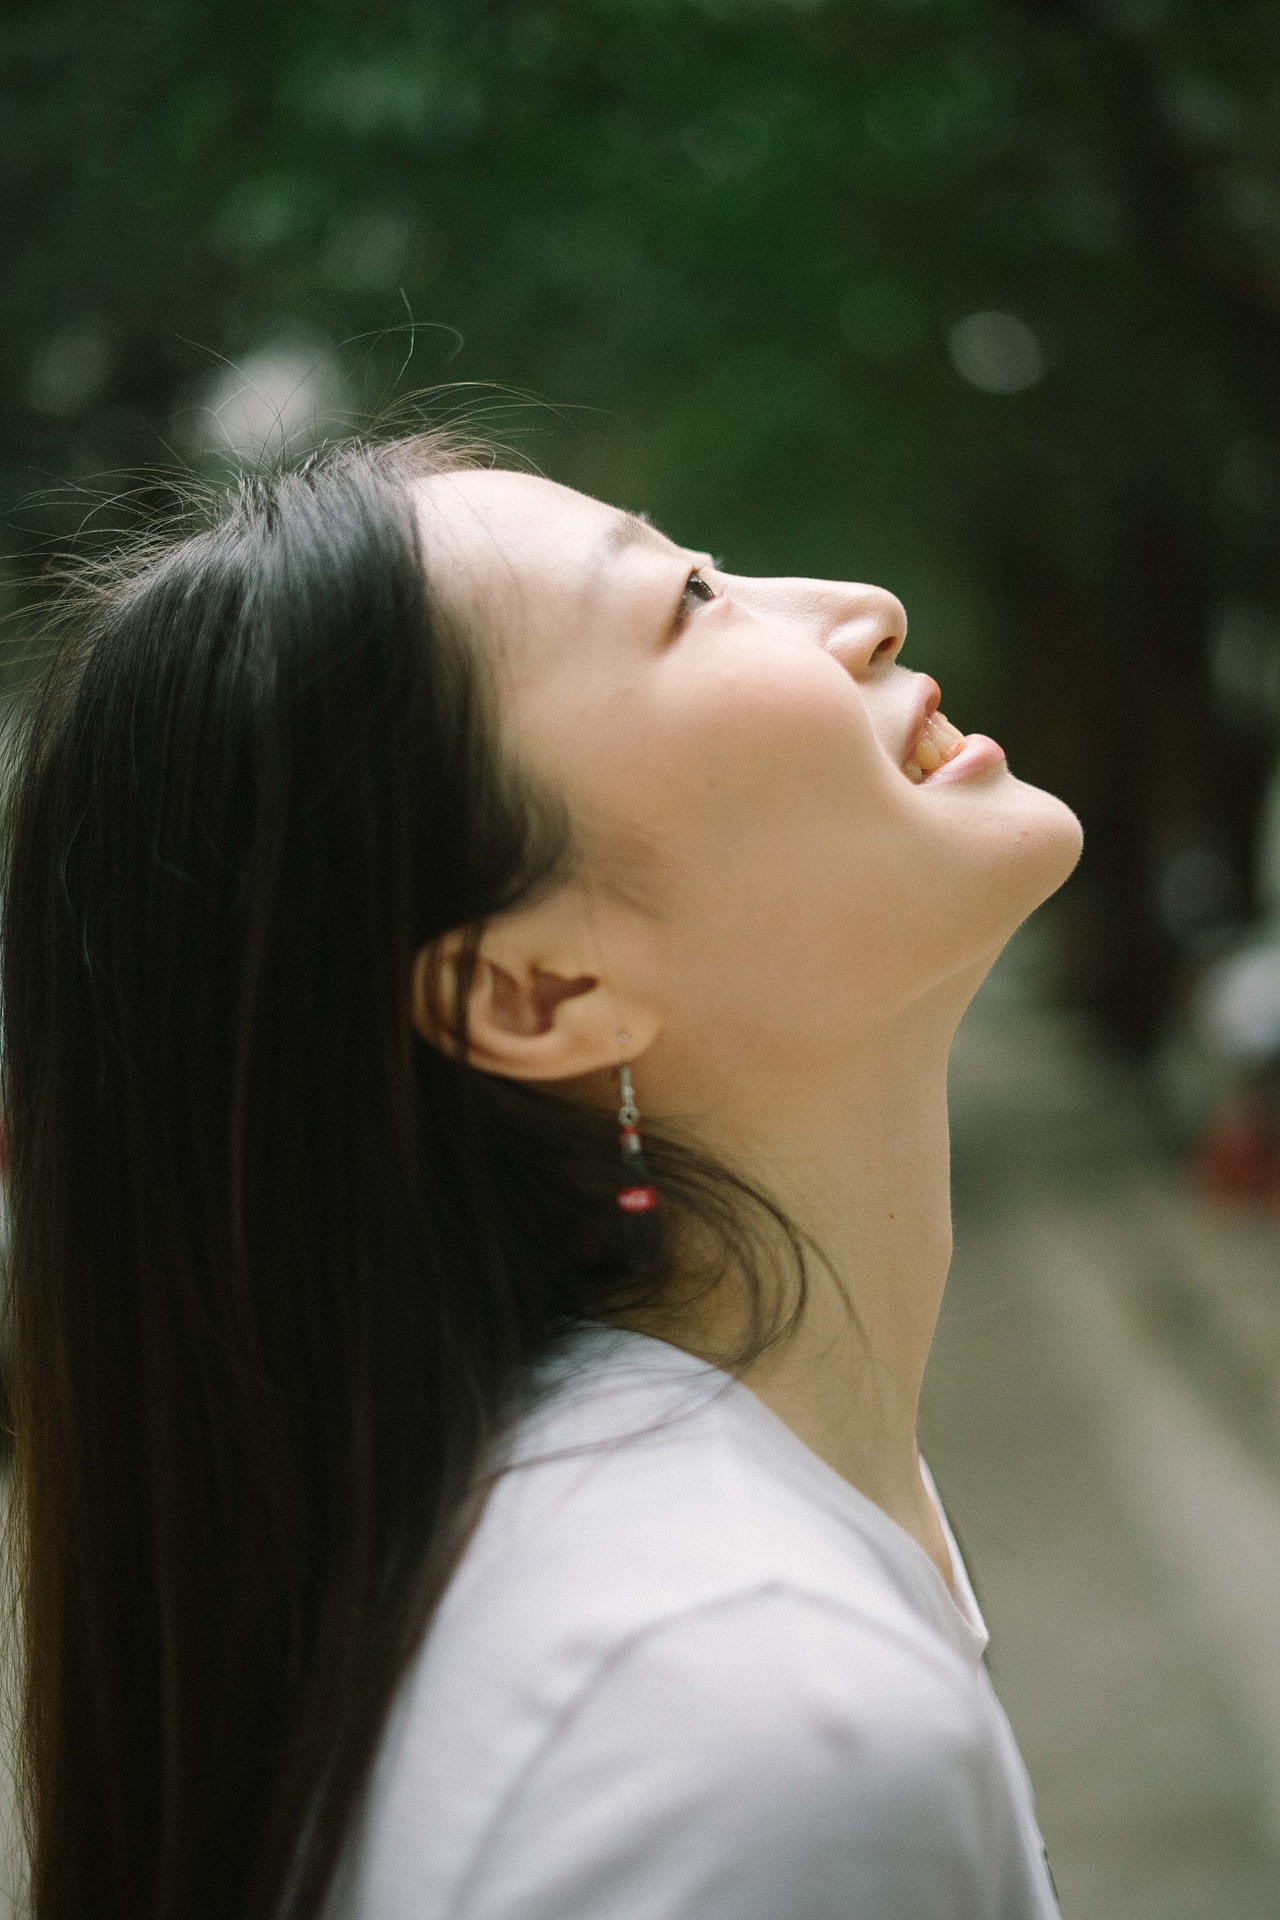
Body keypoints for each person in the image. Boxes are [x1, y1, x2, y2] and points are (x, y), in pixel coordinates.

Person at [0, 430, 1082, 1920]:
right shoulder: (753, 1718)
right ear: (536, 994)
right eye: (690, 598)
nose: (865, 605)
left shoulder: (645, 1554)